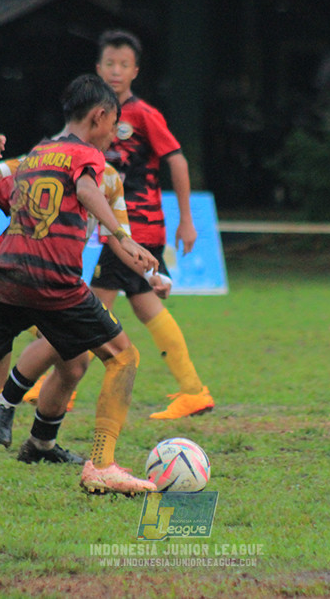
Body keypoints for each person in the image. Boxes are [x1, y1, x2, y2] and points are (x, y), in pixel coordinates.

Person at [0, 74, 160, 496]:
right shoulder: (85, 156)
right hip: (51, 277)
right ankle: (102, 464)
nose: (114, 136)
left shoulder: (37, 156)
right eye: (113, 125)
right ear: (98, 117)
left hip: (1, 278)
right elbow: (87, 188)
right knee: (123, 357)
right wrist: (122, 236)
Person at [0, 130, 171, 451]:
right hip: (39, 272)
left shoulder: (108, 180)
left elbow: (118, 237)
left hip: (56, 274)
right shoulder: (49, 156)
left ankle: (40, 444)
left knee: (76, 363)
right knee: (82, 344)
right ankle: (4, 402)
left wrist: (149, 274)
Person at [91, 29, 214, 419]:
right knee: (146, 308)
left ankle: (53, 384)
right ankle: (193, 389)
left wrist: (187, 221)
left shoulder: (144, 114)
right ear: (98, 68)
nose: (116, 70)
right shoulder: (98, 114)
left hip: (137, 228)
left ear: (135, 71)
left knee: (89, 309)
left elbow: (176, 160)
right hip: (117, 227)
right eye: (110, 63)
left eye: (123, 64)